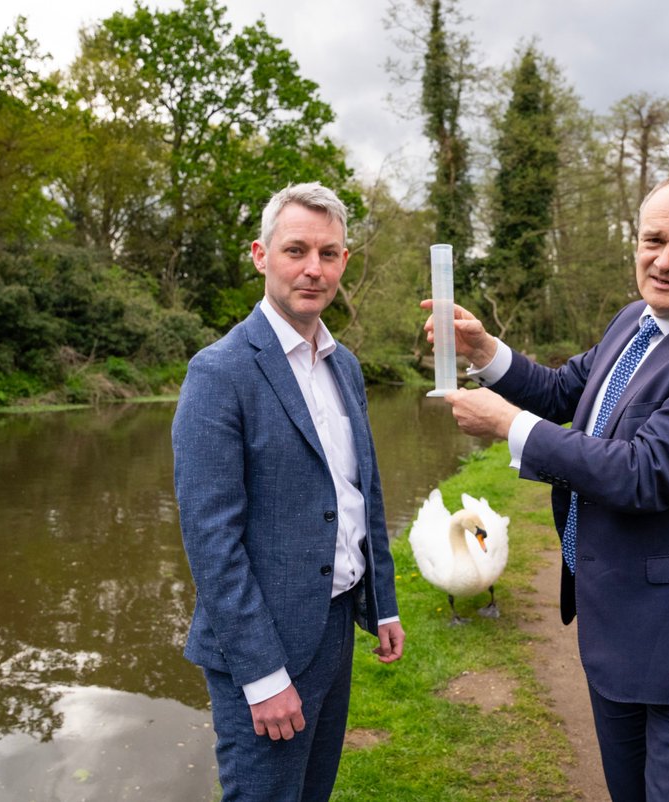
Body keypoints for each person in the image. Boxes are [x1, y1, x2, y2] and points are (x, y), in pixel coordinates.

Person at [425, 173, 669, 801]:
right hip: (615, 621)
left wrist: (511, 428)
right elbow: (568, 393)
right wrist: (486, 352)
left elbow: (644, 472)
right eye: (653, 240)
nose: (664, 261)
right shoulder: (633, 320)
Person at [173, 182, 405, 801]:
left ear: (345, 264)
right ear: (260, 255)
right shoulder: (219, 372)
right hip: (266, 642)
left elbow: (361, 493)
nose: (313, 268)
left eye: (329, 254)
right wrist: (262, 674)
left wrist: (381, 601)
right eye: (296, 250)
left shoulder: (343, 364)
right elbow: (211, 539)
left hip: (334, 624)